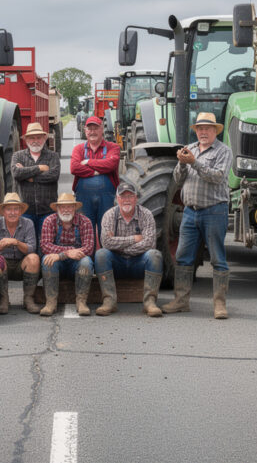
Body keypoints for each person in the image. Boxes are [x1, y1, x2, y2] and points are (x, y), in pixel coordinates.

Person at [161, 112, 233, 319]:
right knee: (183, 257)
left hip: (214, 210)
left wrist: (193, 162)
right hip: (190, 211)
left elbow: (218, 177)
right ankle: (181, 301)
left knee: (218, 258)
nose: (202, 132)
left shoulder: (223, 151)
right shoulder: (189, 149)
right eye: (199, 129)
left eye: (207, 129)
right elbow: (177, 177)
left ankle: (220, 305)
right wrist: (182, 163)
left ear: (214, 131)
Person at [95, 182, 163, 317]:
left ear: (136, 198)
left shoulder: (146, 214)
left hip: (139, 263)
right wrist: (133, 239)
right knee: (101, 254)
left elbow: (149, 244)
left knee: (154, 255)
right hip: (117, 263)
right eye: (123, 196)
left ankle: (150, 302)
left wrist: (120, 246)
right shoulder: (109, 215)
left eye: (130, 196)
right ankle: (109, 301)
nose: (127, 200)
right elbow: (106, 243)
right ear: (117, 199)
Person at [38, 192, 95, 317]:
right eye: (62, 207)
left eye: (69, 206)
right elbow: (45, 245)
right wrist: (67, 253)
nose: (66, 210)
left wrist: (62, 254)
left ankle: (81, 302)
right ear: (57, 209)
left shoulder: (85, 222)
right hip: (59, 263)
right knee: (48, 259)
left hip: (77, 263)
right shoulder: (49, 221)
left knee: (86, 262)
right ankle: (51, 302)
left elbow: (89, 248)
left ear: (75, 208)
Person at [0, 192, 42, 314]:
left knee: (34, 258)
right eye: (9, 209)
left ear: (20, 211)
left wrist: (16, 242)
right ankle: (3, 298)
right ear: (3, 211)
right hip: (2, 265)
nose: (12, 213)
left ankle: (28, 299)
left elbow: (32, 248)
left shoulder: (28, 223)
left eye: (16, 209)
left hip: (21, 264)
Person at [69, 115, 119, 240]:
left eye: (95, 128)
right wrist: (96, 172)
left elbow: (111, 165)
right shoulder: (78, 149)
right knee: (85, 233)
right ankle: (87, 258)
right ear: (85, 131)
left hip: (107, 198)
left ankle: (105, 257)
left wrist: (87, 162)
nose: (92, 132)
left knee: (107, 233)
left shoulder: (113, 147)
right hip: (83, 198)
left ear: (102, 129)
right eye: (89, 129)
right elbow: (74, 168)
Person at [11, 122, 60, 239]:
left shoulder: (53, 156)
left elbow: (53, 175)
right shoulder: (17, 156)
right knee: (28, 245)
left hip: (48, 210)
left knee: (46, 245)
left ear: (44, 138)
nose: (35, 140)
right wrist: (39, 168)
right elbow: (17, 174)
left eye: (38, 137)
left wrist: (29, 177)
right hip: (25, 210)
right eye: (32, 138)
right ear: (26, 139)